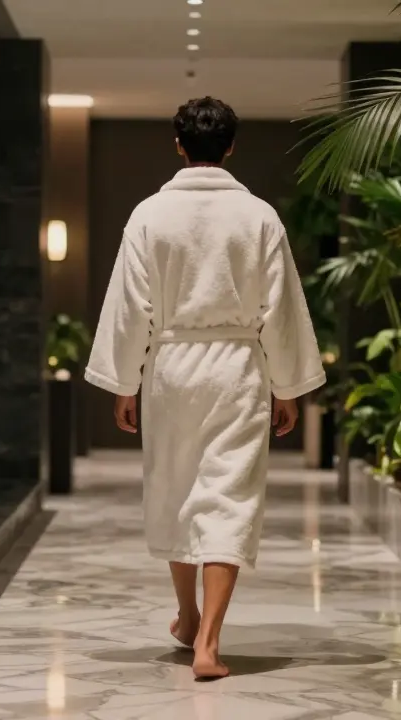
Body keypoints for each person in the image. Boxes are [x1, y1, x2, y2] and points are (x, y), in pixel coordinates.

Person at [84, 96, 325, 679]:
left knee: (175, 486)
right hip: (239, 367)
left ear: (178, 144)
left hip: (170, 368)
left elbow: (130, 304)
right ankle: (208, 641)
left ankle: (187, 614)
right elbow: (282, 307)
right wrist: (287, 385)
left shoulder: (148, 215)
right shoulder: (260, 216)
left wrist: (125, 381)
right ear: (232, 147)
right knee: (228, 494)